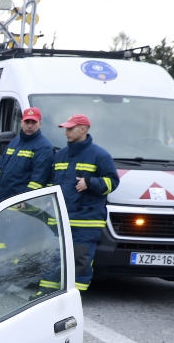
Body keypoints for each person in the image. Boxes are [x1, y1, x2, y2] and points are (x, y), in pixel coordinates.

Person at [45, 113, 120, 292]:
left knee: (80, 261)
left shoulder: (100, 155)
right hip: (61, 219)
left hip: (86, 221)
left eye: (70, 128)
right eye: (66, 128)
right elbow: (52, 182)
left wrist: (91, 182)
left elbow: (113, 182)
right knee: (54, 257)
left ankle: (74, 297)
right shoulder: (61, 155)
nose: (66, 132)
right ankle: (47, 294)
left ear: (83, 129)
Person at [0, 107, 55, 205]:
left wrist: (26, 201)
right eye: (27, 122)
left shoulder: (44, 147)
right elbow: (0, 167)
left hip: (21, 207)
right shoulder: (14, 141)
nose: (29, 125)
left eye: (33, 122)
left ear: (40, 124)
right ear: (21, 122)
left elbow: (38, 180)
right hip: (1, 201)